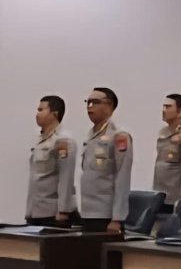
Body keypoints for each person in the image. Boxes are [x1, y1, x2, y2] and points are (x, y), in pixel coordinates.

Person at [80, 87, 132, 232]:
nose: (90, 107)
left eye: (95, 102)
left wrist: (117, 218)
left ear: (109, 106)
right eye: (88, 102)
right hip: (87, 212)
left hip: (106, 215)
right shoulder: (90, 135)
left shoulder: (119, 136)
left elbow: (122, 177)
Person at [26, 95, 76, 226]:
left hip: (53, 213)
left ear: (54, 114)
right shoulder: (38, 140)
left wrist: (63, 210)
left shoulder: (63, 141)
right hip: (35, 210)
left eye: (41, 110)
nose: (37, 114)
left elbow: (66, 177)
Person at [152, 94, 181, 207]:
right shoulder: (163, 132)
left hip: (174, 199)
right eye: (163, 107)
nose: (163, 110)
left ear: (180, 111)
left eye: (168, 107)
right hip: (159, 194)